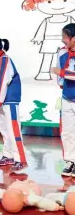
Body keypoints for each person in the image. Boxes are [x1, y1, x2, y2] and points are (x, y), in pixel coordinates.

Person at [0, 35, 27, 172]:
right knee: (4, 129)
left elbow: (4, 81)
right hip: (3, 101)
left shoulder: (4, 60)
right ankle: (8, 155)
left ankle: (21, 159)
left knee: (13, 129)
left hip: (9, 100)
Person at [51, 23, 75, 176]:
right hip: (67, 97)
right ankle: (70, 162)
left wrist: (61, 72)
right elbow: (58, 71)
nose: (63, 40)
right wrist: (62, 83)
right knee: (67, 132)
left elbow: (62, 71)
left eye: (65, 37)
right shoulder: (61, 53)